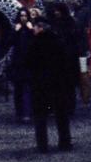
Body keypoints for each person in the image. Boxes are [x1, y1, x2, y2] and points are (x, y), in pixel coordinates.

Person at [26, 9, 74, 154]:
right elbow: (66, 63)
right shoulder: (58, 41)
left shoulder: (34, 43)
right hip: (57, 84)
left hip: (39, 85)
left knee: (40, 118)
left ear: (39, 27)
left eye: (35, 26)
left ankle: (42, 145)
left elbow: (28, 63)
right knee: (61, 115)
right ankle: (65, 142)